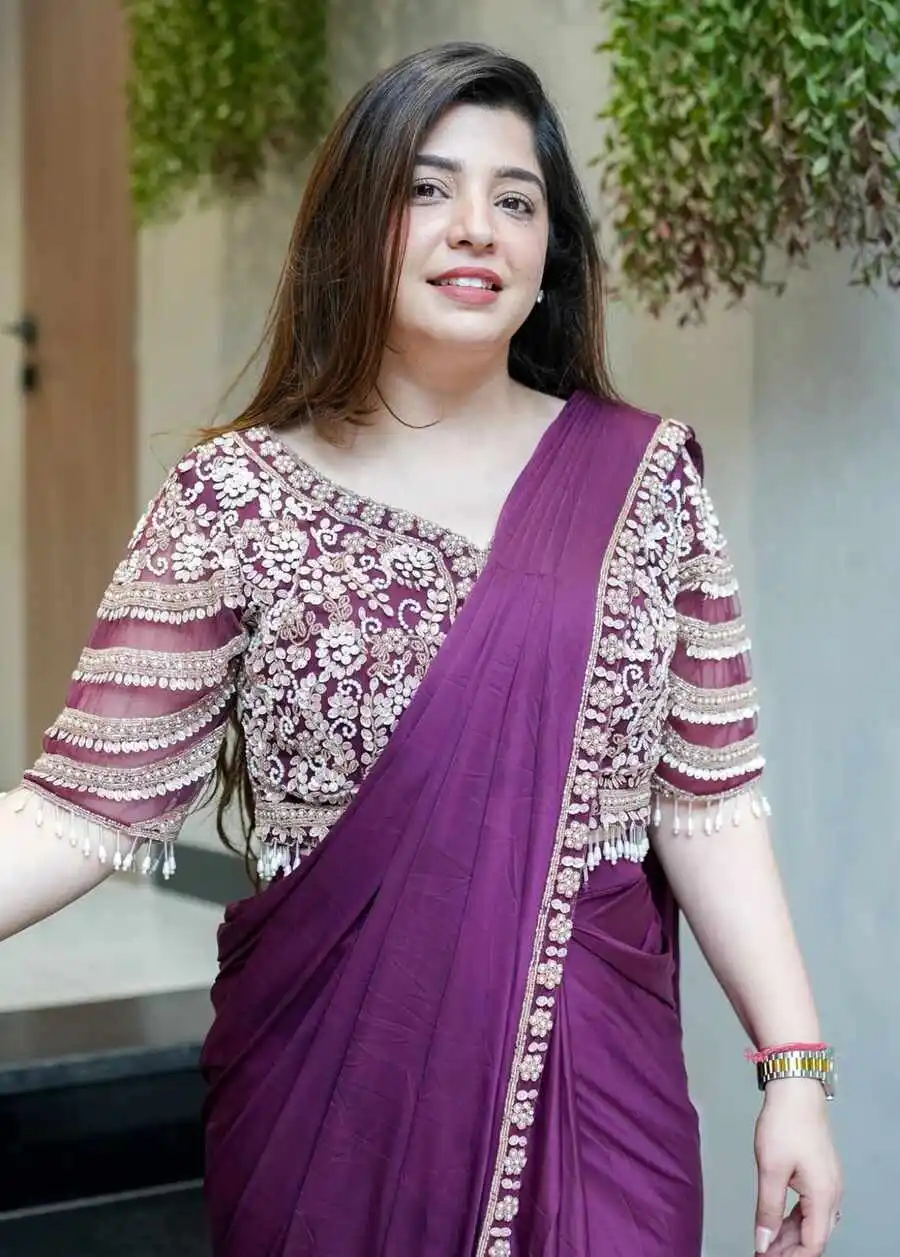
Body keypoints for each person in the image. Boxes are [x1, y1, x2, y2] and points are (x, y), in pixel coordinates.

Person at [0, 41, 840, 1257]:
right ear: (356, 227)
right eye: (428, 189)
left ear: (551, 256)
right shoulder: (238, 497)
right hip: (329, 1095)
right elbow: (82, 809)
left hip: (597, 1095)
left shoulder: (642, 484)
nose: (476, 228)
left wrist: (795, 1069)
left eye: (517, 201)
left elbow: (706, 802)